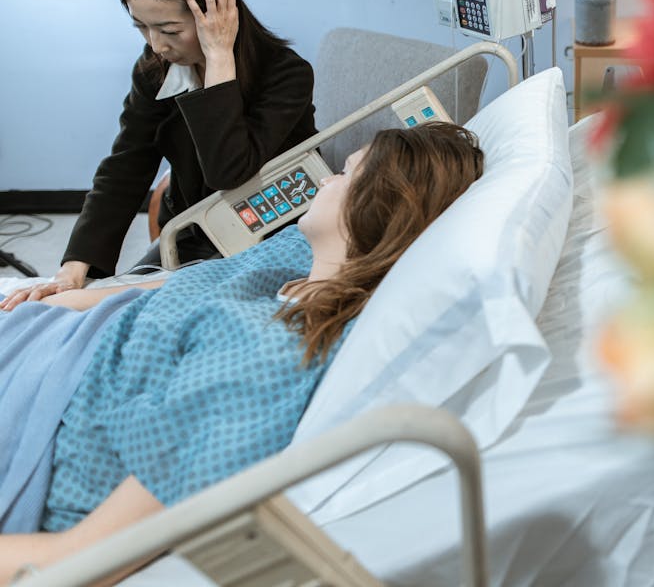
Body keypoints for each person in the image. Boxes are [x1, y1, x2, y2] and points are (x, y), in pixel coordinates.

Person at [0, 122, 486, 583]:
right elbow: (177, 281)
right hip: (51, 337)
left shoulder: (269, 361)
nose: (325, 181)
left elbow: (84, 557)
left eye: (344, 174)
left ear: (374, 209)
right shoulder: (300, 256)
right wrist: (64, 300)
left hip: (40, 405)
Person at [0, 0, 317, 311]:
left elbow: (230, 171)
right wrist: (72, 269)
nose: (155, 45)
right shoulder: (155, 71)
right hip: (188, 229)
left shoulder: (286, 74)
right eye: (141, 28)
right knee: (82, 302)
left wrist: (218, 59)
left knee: (115, 306)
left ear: (215, 14)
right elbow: (126, 165)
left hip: (263, 234)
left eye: (168, 31)